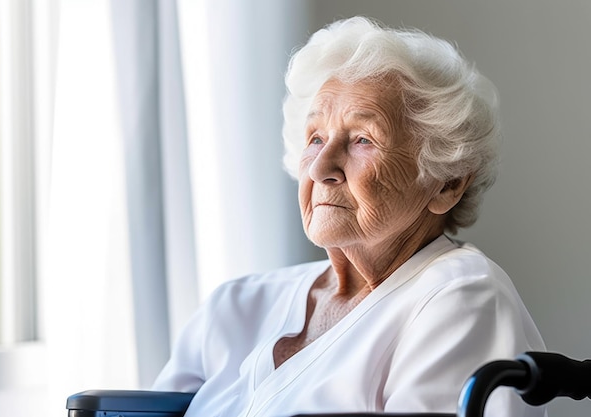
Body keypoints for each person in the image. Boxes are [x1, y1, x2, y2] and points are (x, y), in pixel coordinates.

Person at [153, 16, 547, 417]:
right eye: (316, 138)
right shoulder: (236, 307)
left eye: (363, 140)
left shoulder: (460, 298)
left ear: (446, 184)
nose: (321, 166)